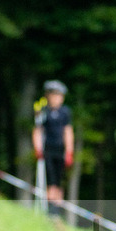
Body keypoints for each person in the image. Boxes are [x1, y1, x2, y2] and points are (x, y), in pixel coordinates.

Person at [32, 79, 74, 217]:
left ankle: (57, 209)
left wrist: (69, 151)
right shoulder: (43, 111)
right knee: (50, 180)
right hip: (48, 150)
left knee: (59, 180)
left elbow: (68, 131)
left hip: (60, 150)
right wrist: (37, 148)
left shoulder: (65, 112)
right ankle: (51, 209)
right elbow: (38, 130)